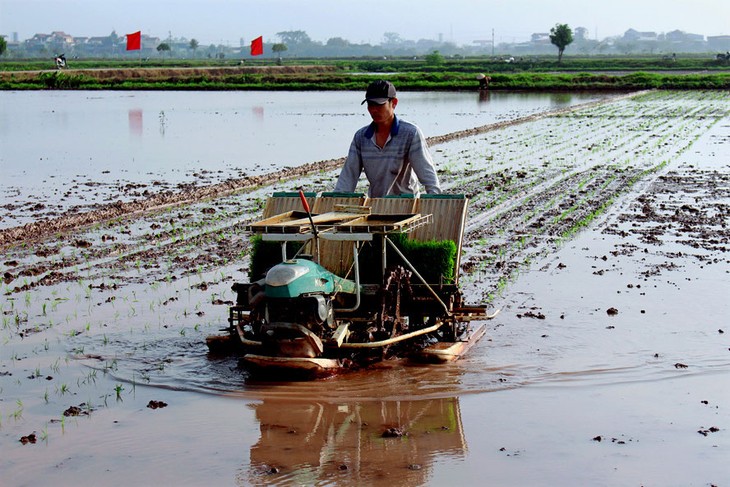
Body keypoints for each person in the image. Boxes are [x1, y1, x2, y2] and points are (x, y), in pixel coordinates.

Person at [334, 80, 441, 198]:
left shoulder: (410, 133)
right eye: (370, 104)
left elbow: (426, 172)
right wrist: (337, 200)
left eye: (379, 105)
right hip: (377, 203)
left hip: (406, 203)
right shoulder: (361, 137)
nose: (374, 110)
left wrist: (435, 199)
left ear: (393, 103)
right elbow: (348, 176)